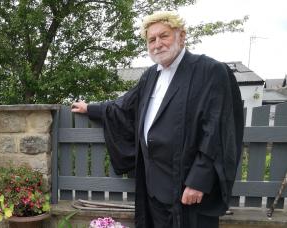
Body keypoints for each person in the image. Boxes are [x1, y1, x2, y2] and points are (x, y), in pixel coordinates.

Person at [71, 11, 244, 228]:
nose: (157, 44)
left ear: (181, 36)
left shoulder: (210, 71)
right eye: (151, 39)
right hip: (153, 185)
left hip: (188, 188)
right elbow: (125, 106)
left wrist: (199, 180)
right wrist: (91, 108)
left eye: (164, 36)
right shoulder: (151, 75)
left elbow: (218, 129)